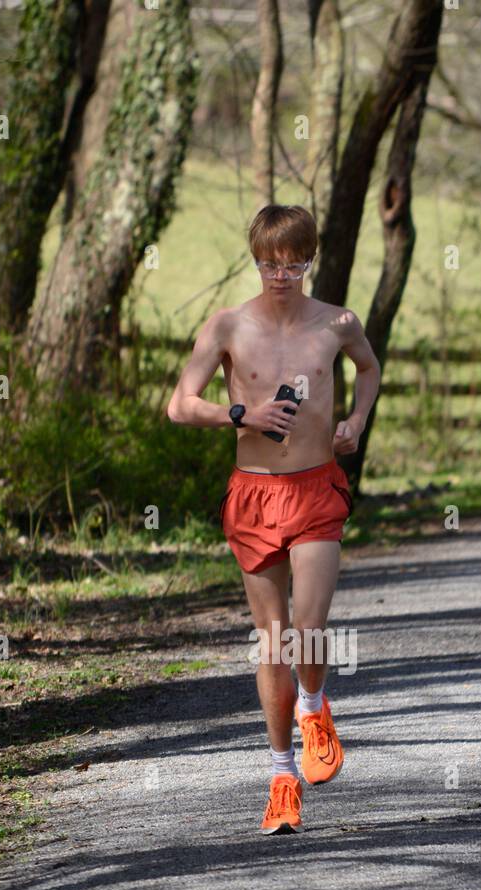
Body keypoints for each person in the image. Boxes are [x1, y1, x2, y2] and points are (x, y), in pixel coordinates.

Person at [166, 204, 380, 833]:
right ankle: (281, 776)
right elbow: (180, 405)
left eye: (293, 263)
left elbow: (368, 371)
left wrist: (356, 422)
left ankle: (314, 706)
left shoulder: (337, 323)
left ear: (310, 259)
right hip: (254, 493)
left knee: (310, 628)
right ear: (255, 259)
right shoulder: (229, 325)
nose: (281, 274)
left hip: (316, 489)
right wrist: (243, 417)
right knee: (273, 639)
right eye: (269, 263)